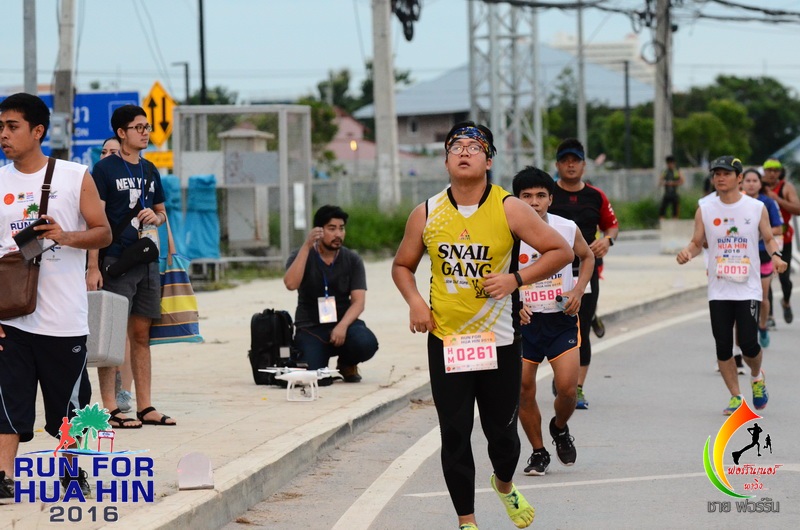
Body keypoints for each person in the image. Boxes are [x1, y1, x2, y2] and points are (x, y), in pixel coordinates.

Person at [392, 121, 573, 529]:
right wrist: (416, 302)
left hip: (499, 340)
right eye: (455, 145)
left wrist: (515, 280)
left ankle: (504, 484)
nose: (464, 151)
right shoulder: (426, 212)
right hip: (447, 341)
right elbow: (402, 265)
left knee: (503, 439)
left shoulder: (509, 207)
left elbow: (560, 251)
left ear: (488, 161)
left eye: (475, 146)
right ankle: (467, 522)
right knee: (455, 435)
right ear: (445, 160)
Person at [0, 93, 111, 499]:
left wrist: (64, 236)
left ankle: (70, 471)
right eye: (1, 127)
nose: (4, 134)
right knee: (7, 402)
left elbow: (104, 232)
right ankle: (3, 476)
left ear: (38, 131)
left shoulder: (74, 176)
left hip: (64, 318)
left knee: (70, 406)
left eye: (12, 126)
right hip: (10, 317)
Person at [87, 104, 175, 428]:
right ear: (121, 132)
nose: (145, 132)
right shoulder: (105, 170)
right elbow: (95, 221)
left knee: (141, 334)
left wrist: (157, 217)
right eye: (138, 127)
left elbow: (162, 211)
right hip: (116, 259)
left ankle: (145, 405)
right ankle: (110, 407)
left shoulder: (150, 170)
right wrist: (93, 267)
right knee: (111, 334)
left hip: (147, 259)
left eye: (147, 127)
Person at [677, 156, 787, 415]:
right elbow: (697, 242)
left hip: (748, 287)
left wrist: (776, 256)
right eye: (716, 173)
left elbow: (769, 238)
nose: (720, 178)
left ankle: (757, 376)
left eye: (726, 173)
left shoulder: (755, 207)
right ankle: (736, 397)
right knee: (723, 345)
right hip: (719, 288)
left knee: (748, 344)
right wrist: (687, 252)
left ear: (739, 178)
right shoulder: (705, 208)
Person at [511, 167, 594, 476]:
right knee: (523, 389)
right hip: (525, 324)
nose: (534, 202)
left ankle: (559, 427)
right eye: (526, 196)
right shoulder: (507, 233)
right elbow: (493, 274)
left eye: (540, 196)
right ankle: (538, 451)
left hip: (561, 320)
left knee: (567, 389)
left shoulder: (566, 228)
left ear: (550, 199)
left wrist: (578, 290)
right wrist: (515, 304)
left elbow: (587, 257)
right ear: (516, 200)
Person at [548, 138, 619, 410]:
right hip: (551, 273)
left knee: (581, 330)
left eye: (575, 160)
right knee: (553, 326)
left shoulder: (596, 196)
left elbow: (612, 226)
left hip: (586, 273)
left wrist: (607, 241)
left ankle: (576, 387)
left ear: (584, 165)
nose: (570, 165)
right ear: (557, 165)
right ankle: (562, 375)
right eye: (565, 160)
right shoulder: (547, 194)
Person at [284, 205, 378, 382]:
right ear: (318, 231)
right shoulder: (301, 255)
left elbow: (358, 302)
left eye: (341, 229)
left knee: (366, 343)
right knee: (313, 375)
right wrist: (306, 246)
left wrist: (342, 326)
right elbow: (290, 284)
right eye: (332, 229)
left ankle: (346, 363)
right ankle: (318, 359)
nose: (338, 234)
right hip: (311, 326)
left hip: (343, 323)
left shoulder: (352, 260)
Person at [96, 136, 135, 414]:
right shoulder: (91, 185)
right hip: (97, 263)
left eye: (113, 151)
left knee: (124, 332)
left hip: (123, 263)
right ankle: (106, 395)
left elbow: (160, 213)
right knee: (103, 330)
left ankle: (124, 392)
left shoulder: (134, 181)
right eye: (103, 152)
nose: (108, 155)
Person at [741, 168, 782, 348]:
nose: (751, 184)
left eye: (754, 181)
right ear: (741, 183)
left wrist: (758, 231)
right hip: (742, 257)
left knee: (762, 297)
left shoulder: (768, 203)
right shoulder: (735, 203)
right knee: (741, 299)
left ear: (760, 184)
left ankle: (763, 326)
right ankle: (743, 333)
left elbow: (778, 228)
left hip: (763, 255)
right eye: (747, 180)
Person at [762, 158, 799, 325]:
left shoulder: (786, 187)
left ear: (780, 172)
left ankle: (786, 301)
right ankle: (769, 316)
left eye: (775, 170)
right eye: (768, 170)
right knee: (766, 276)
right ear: (764, 171)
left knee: (785, 279)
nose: (772, 173)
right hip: (763, 238)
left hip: (784, 238)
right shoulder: (759, 186)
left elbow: (798, 209)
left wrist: (777, 199)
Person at [658, 155, 685, 220]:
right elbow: (660, 181)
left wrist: (673, 183)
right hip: (667, 194)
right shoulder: (665, 171)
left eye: (671, 163)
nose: (669, 165)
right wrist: (666, 183)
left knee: (675, 210)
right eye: (668, 163)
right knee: (662, 209)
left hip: (674, 194)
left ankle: (675, 221)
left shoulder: (677, 171)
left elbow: (682, 181)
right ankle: (661, 221)